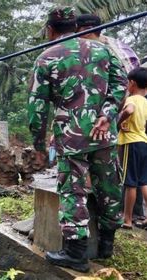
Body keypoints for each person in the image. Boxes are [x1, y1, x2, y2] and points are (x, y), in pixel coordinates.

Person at [28, 7, 127, 272]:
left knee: (73, 189)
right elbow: (121, 83)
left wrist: (38, 145)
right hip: (103, 133)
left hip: (71, 136)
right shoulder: (104, 50)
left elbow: (37, 108)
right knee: (108, 184)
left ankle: (76, 253)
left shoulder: (46, 58)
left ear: (50, 30)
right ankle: (106, 244)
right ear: (75, 26)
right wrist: (108, 113)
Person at [76, 14, 146, 223]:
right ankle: (133, 216)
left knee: (125, 180)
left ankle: (125, 218)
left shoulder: (92, 53)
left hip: (117, 135)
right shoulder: (116, 51)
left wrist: (115, 118)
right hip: (138, 138)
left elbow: (126, 104)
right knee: (133, 179)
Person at [117, 67, 147, 229]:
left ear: (132, 83)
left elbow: (128, 110)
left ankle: (127, 220)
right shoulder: (146, 102)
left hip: (131, 143)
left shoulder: (132, 99)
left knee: (130, 183)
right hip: (143, 142)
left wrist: (120, 122)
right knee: (144, 182)